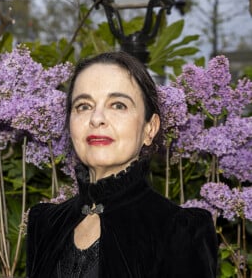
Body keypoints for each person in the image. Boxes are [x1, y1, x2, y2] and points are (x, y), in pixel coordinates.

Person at [26, 51, 218, 278]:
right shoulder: (45, 224)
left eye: (118, 105)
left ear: (150, 128)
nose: (96, 118)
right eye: (83, 106)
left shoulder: (180, 231)